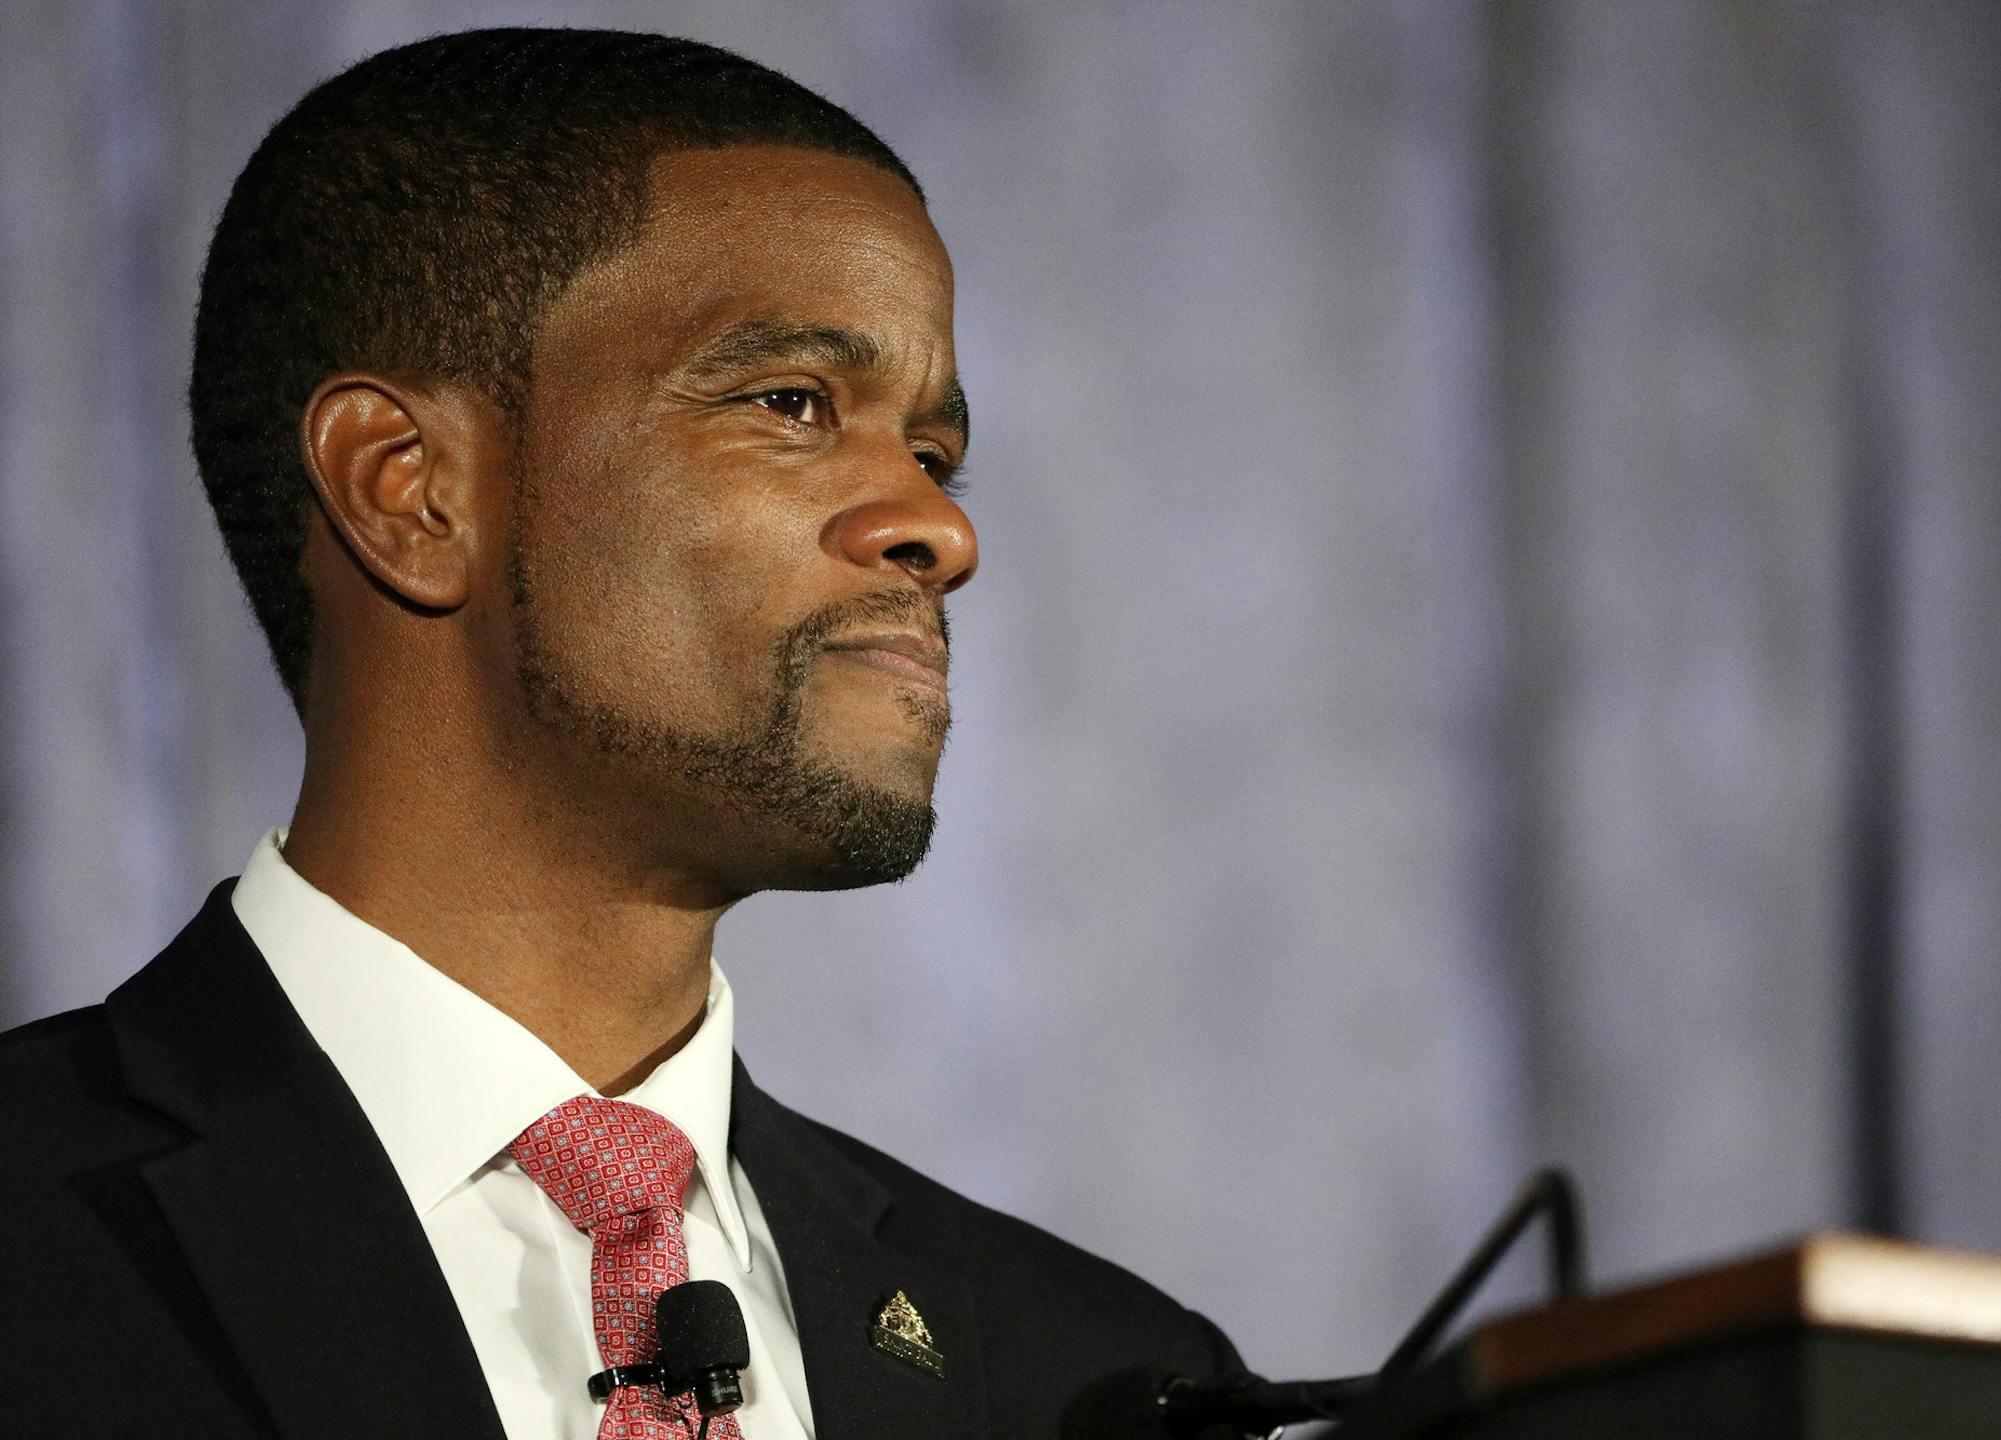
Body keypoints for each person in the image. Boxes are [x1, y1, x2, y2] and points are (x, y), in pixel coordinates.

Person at [0, 27, 1238, 1440]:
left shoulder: (1101, 1383)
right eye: (791, 404)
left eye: (933, 455)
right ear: (410, 491)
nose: (939, 531)